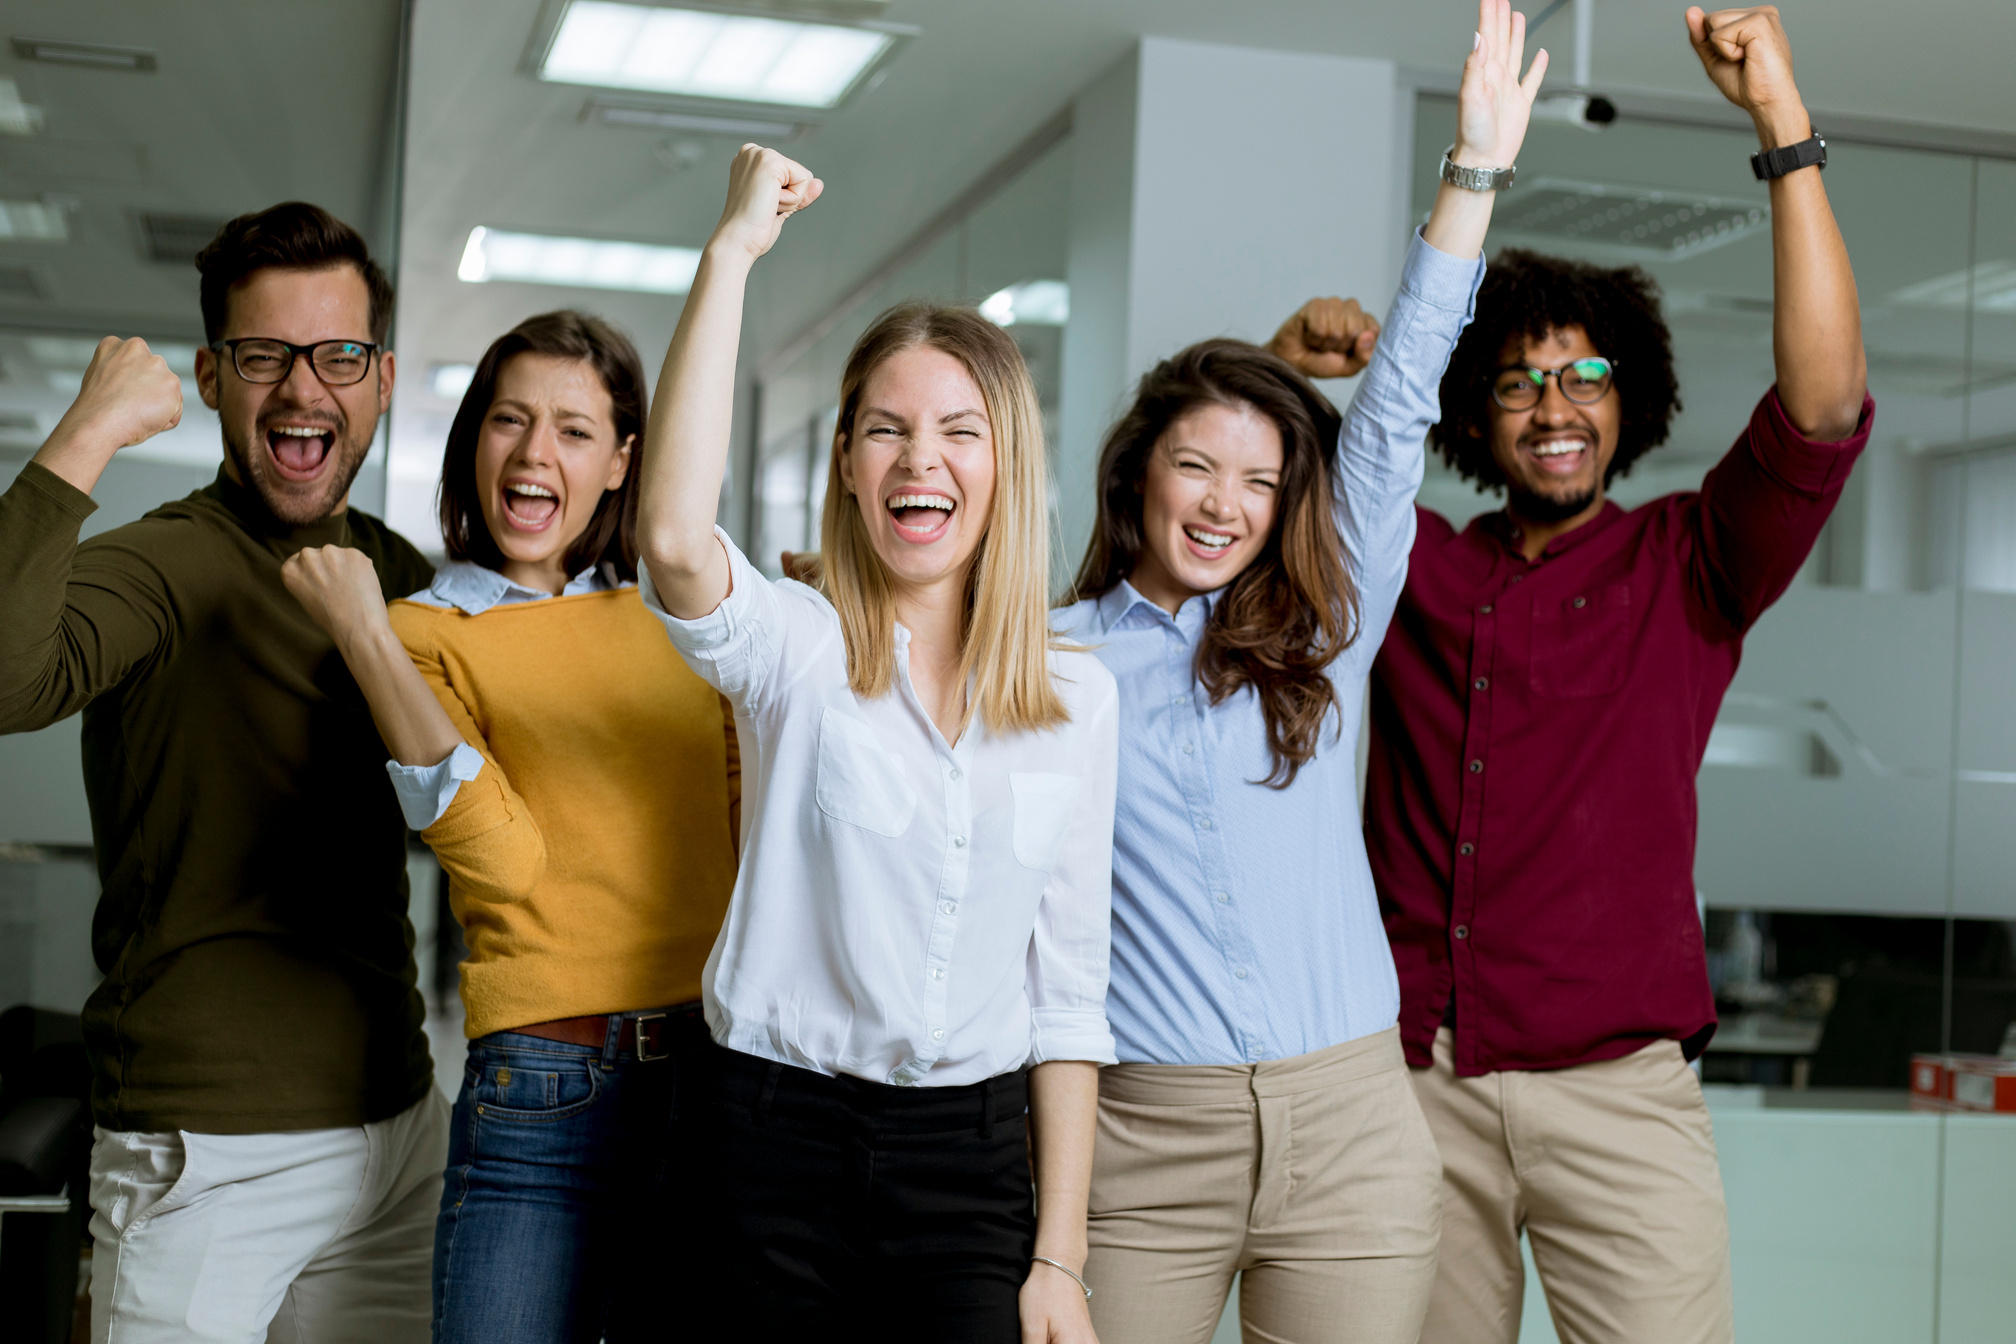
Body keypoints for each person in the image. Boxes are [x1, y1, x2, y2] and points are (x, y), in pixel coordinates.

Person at [1268, 7, 1871, 1342]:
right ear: (1474, 418)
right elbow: (1247, 501)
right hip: (1416, 1081)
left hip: (1620, 1098)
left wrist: (1780, 121)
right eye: (1520, 382)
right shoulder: (1406, 564)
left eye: (1585, 374)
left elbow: (1823, 408)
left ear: (1629, 398)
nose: (1556, 405)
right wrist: (1278, 365)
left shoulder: (1695, 563)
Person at [1052, 5, 1545, 1341]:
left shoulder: (1324, 626)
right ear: (1136, 474)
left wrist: (1474, 172)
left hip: (1350, 1131)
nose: (1225, 505)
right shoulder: (1054, 663)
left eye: (1263, 482)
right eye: (1198, 467)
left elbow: (1389, 417)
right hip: (1141, 1140)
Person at [635, 146, 1119, 1344]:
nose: (921, 461)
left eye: (960, 431)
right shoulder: (795, 650)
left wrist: (1059, 1260)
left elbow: (1067, 998)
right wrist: (733, 251)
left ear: (1003, 466)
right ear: (849, 469)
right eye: (885, 432)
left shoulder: (1076, 698)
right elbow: (675, 535)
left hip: (967, 1165)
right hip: (766, 1145)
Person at [0, 203, 446, 1342]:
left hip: (395, 1136)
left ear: (381, 378)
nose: (304, 389)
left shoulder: (397, 572)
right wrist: (85, 436)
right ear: (211, 375)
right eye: (263, 356)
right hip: (206, 1152)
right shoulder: (167, 563)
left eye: (338, 355)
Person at [277, 310, 740, 1342]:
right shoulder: (421, 634)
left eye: (576, 432)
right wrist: (362, 629)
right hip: (544, 1082)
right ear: (473, 441)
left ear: (624, 461)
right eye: (510, 421)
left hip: (719, 1079)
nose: (536, 454)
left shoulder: (689, 616)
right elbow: (501, 859)